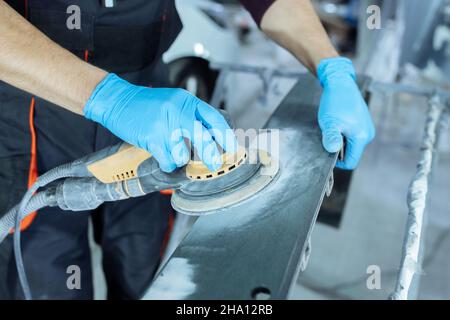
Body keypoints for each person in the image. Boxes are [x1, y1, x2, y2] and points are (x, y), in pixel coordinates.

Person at [0, 0, 375, 299]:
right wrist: (107, 98)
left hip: (150, 99)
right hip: (35, 104)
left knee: (146, 272)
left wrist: (330, 65)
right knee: (44, 275)